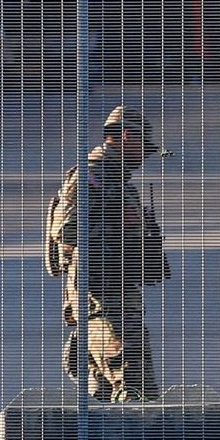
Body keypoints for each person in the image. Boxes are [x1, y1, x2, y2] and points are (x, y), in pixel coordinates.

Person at [49, 105, 173, 403]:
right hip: (102, 293)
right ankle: (136, 436)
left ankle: (110, 435)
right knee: (135, 385)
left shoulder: (113, 178)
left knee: (113, 389)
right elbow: (64, 229)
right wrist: (116, 226)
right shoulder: (93, 173)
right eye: (143, 146)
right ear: (126, 136)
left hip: (114, 292)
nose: (144, 156)